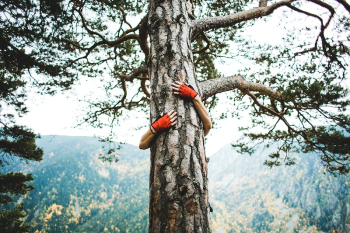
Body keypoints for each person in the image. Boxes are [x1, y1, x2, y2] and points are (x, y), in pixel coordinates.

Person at [139, 81, 212, 150]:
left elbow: (208, 126)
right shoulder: (195, 133)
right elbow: (142, 145)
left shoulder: (198, 133)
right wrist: (195, 98)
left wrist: (195, 97)